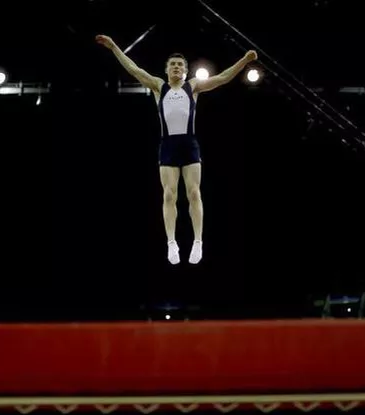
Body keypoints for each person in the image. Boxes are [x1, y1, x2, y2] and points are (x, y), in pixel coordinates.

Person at [96, 34, 258, 265]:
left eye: (180, 65)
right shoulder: (158, 87)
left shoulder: (193, 87)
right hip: (168, 145)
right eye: (172, 64)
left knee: (194, 193)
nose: (176, 67)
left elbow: (222, 78)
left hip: (189, 143)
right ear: (166, 70)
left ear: (185, 70)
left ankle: (198, 241)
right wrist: (113, 47)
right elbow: (133, 68)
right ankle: (172, 242)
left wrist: (244, 60)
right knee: (170, 194)